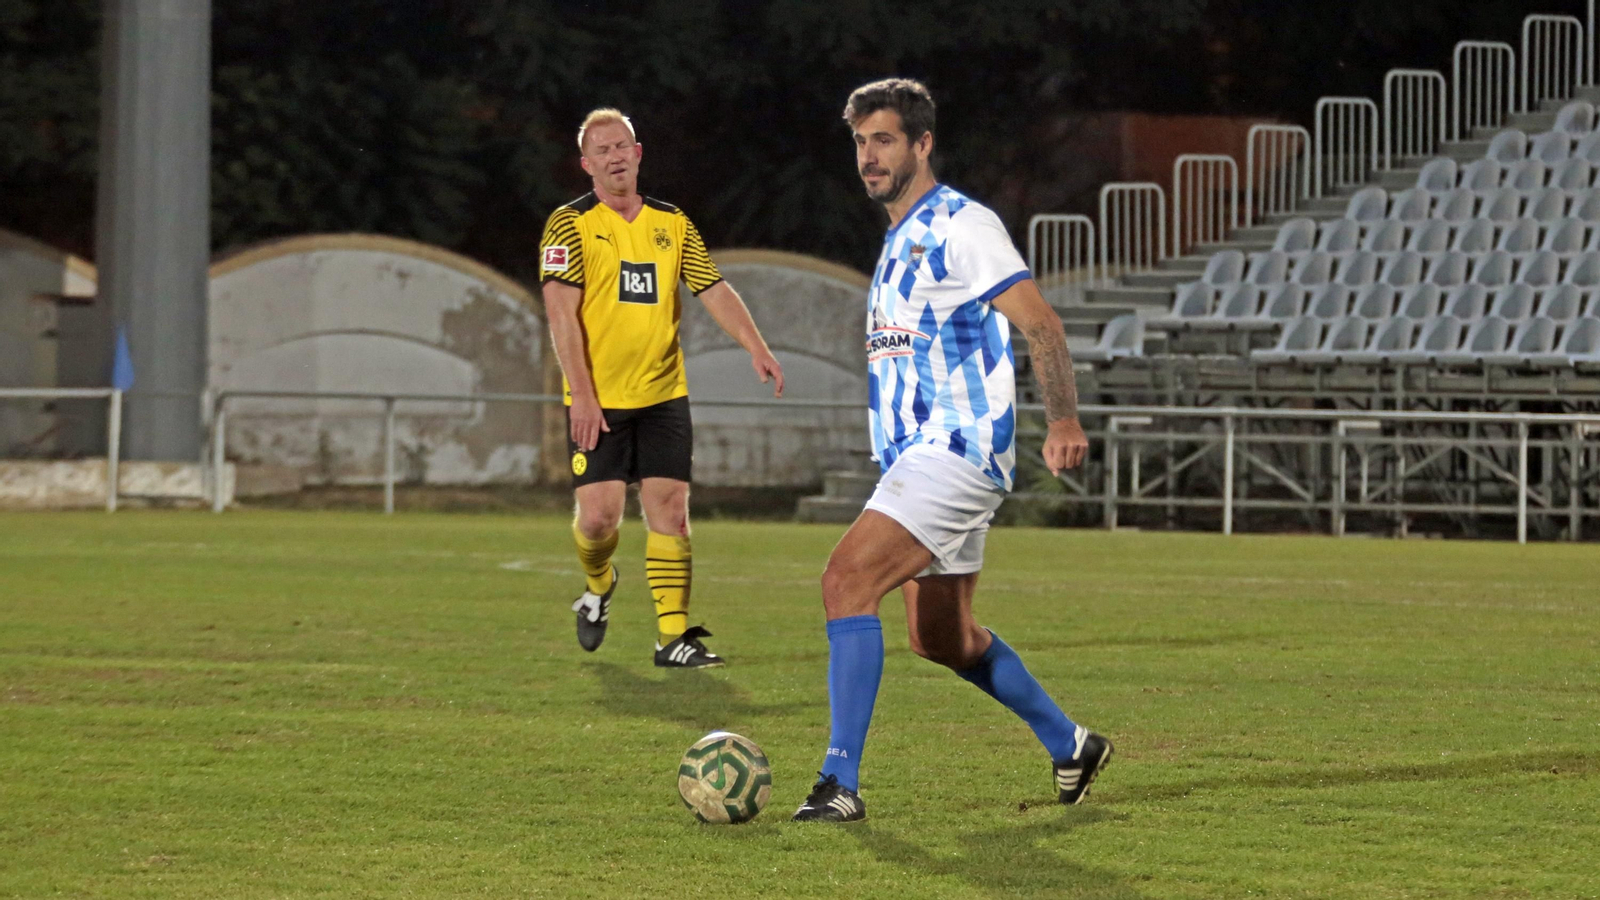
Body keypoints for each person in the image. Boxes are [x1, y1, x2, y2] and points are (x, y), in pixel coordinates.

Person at [792, 79, 1111, 822]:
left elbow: (1041, 323)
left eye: (885, 141)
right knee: (941, 639)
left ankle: (839, 782)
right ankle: (1069, 742)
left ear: (922, 144)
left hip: (957, 450)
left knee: (845, 582)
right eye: (861, 142)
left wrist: (1063, 422)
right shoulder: (899, 239)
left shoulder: (963, 226)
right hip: (919, 459)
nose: (869, 157)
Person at [539, 108, 784, 669]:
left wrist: (756, 345)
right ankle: (598, 586)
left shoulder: (672, 222)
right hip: (597, 399)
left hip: (663, 394)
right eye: (602, 150)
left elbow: (712, 286)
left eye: (622, 145)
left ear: (639, 152)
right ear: (587, 165)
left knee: (670, 512)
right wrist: (583, 393)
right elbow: (560, 313)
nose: (615, 156)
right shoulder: (569, 225)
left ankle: (672, 637)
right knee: (599, 520)